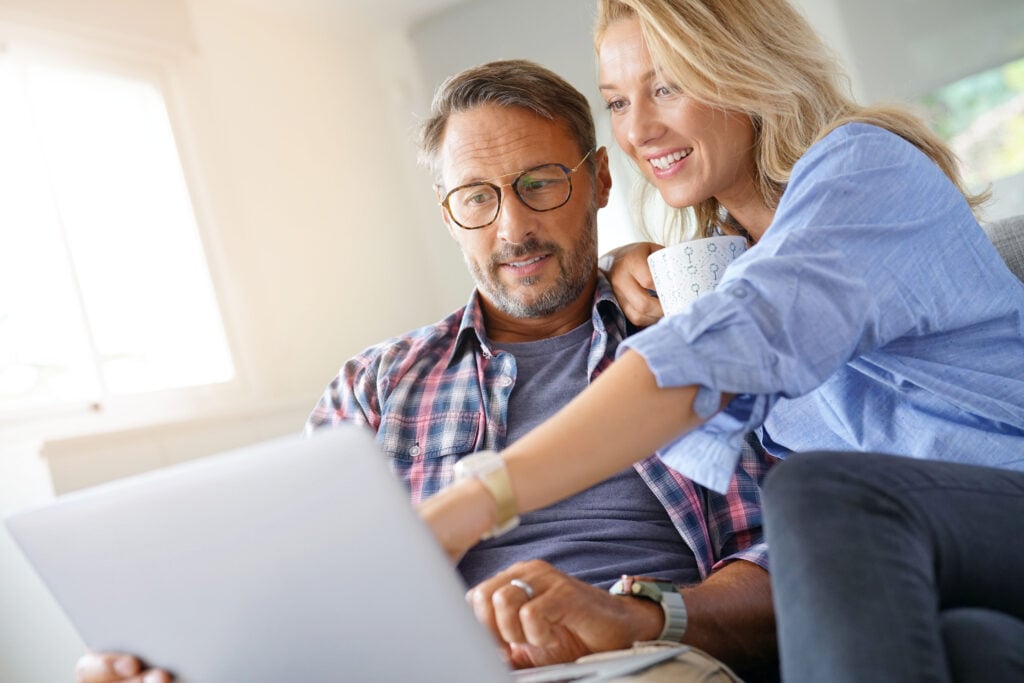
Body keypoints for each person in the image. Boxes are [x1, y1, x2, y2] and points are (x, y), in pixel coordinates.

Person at [74, 59, 780, 683]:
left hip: (633, 663)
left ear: (598, 180)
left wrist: (634, 613)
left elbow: (784, 575)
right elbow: (308, 589)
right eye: (476, 197)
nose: (512, 229)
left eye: (539, 183)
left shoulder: (686, 338)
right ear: (447, 214)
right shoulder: (375, 386)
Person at [417, 1, 1024, 682]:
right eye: (618, 101)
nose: (639, 129)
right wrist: (620, 271)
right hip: (945, 570)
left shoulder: (865, 169)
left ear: (746, 72)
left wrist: (475, 501)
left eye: (666, 86)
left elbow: (731, 338)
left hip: (1003, 499)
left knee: (818, 493)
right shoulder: (714, 267)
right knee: (974, 649)